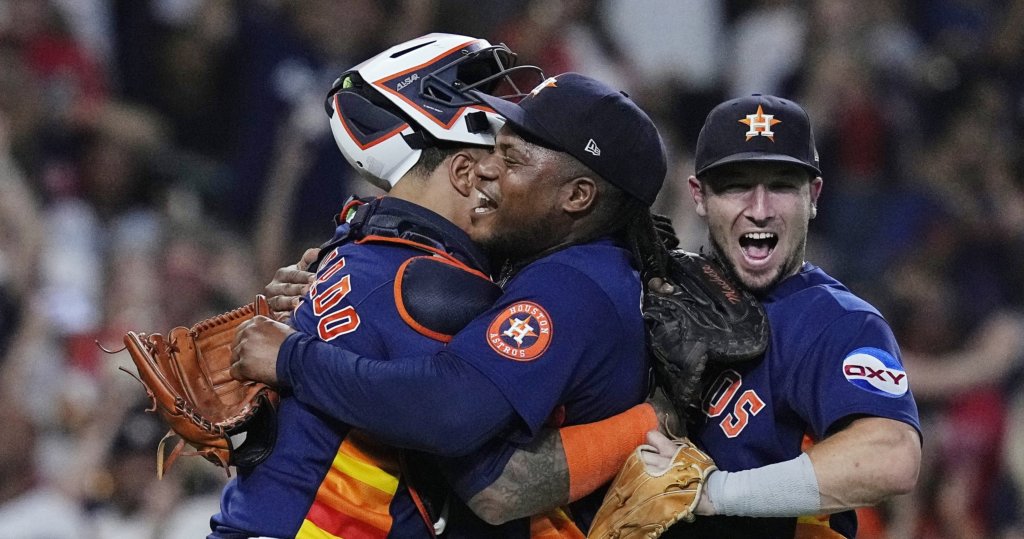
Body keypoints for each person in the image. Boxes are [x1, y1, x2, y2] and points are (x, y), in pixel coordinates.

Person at [217, 33, 669, 538]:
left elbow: (492, 480)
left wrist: (655, 422)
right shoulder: (428, 269)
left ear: (578, 195)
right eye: (493, 151)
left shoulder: (564, 284)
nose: (488, 169)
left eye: (512, 158)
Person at [642, 94, 922, 538]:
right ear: (699, 196)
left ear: (813, 196)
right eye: (735, 185)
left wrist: (716, 492)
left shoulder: (838, 322)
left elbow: (891, 456)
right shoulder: (655, 292)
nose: (760, 208)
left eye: (782, 185)